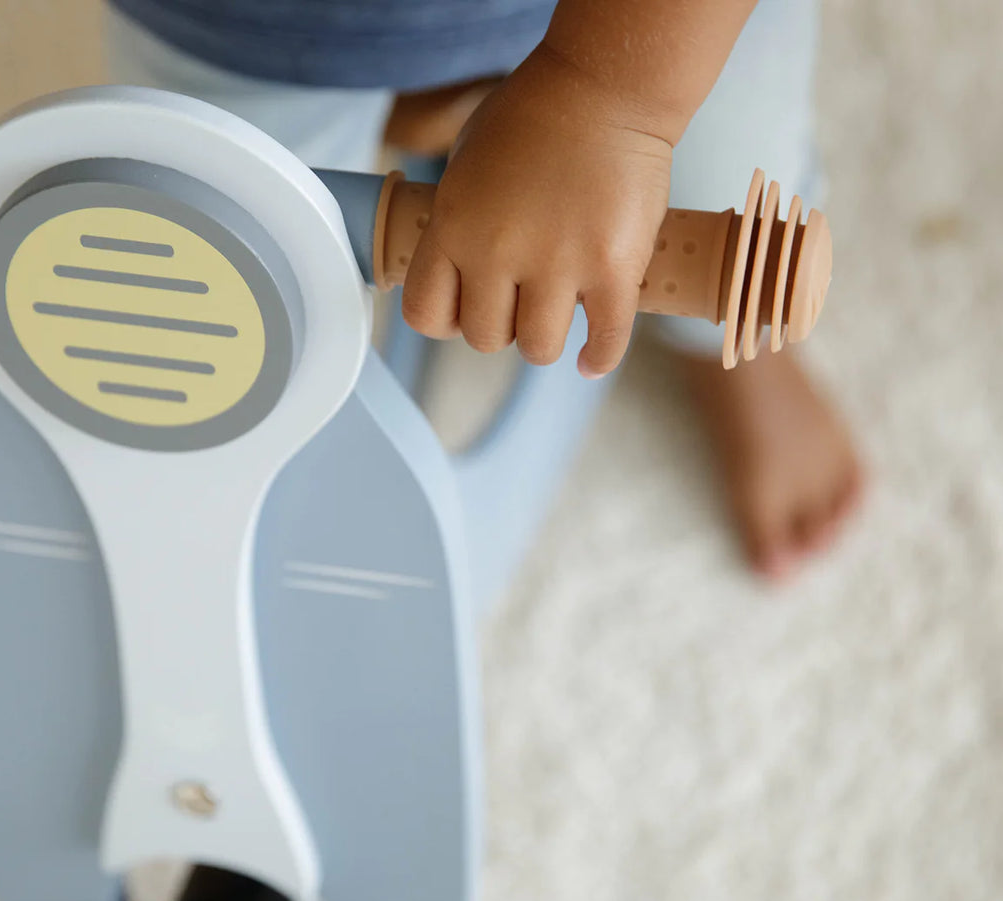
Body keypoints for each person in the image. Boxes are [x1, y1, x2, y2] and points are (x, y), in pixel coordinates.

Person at [105, 0, 862, 579]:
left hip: (653, 37)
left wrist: (611, 102)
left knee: (731, 200)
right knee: (211, 271)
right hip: (243, 23)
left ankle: (725, 348)